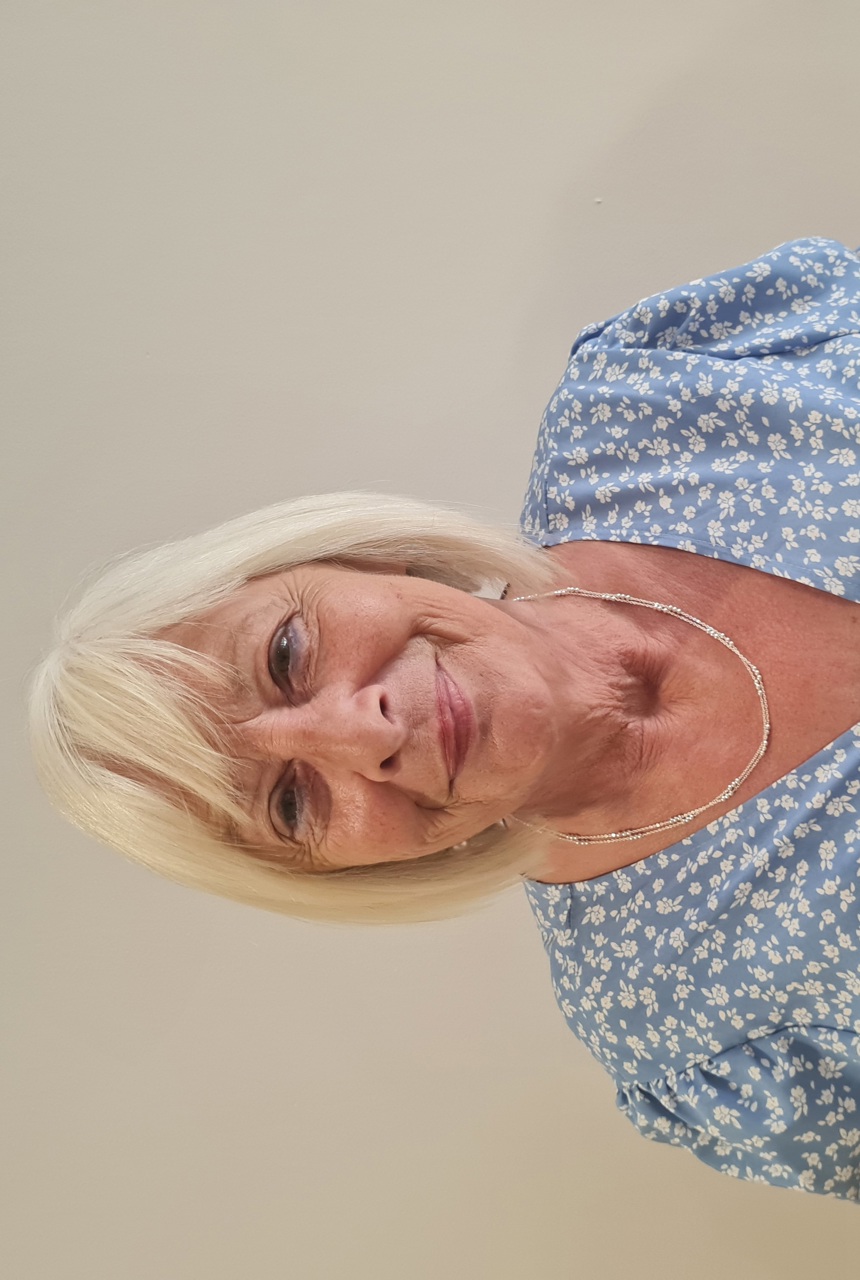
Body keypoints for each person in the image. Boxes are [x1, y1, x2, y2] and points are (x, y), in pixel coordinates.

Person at [30, 236, 860, 1202]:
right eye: (293, 806)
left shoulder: (661, 399)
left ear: (356, 557)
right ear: (344, 875)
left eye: (285, 657)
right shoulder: (690, 1032)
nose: (363, 735)